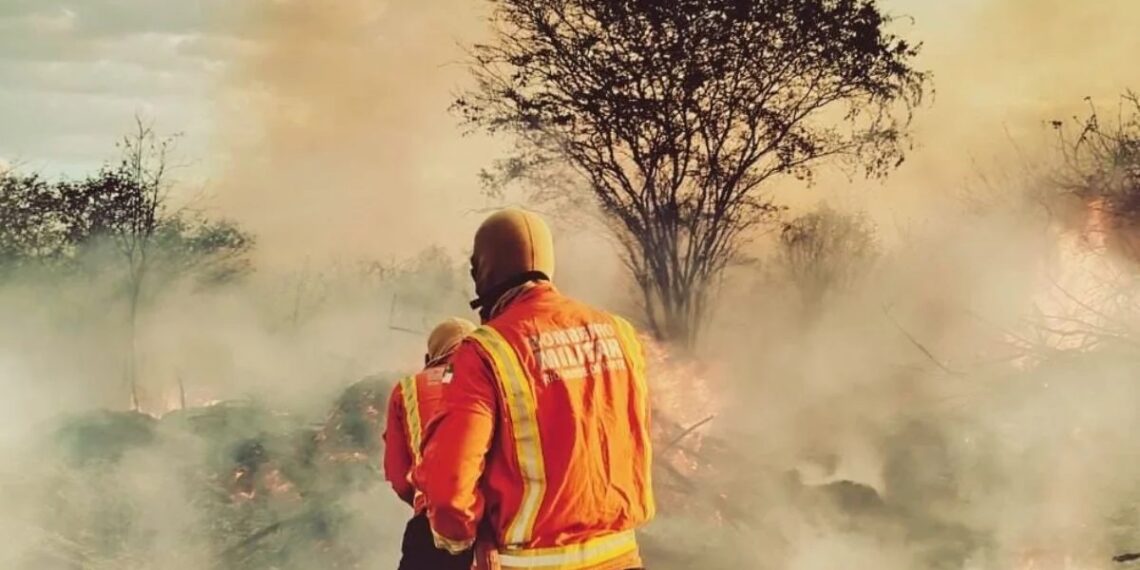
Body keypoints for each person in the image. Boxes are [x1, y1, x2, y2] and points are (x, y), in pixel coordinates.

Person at [416, 208, 655, 570]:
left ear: (484, 269)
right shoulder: (620, 333)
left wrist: (455, 540)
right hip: (622, 558)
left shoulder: (482, 352)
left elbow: (450, 487)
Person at [384, 317, 478, 570]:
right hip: (489, 522)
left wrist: (422, 500)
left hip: (431, 521)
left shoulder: (407, 389)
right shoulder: (493, 380)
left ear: (428, 359)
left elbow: (398, 476)